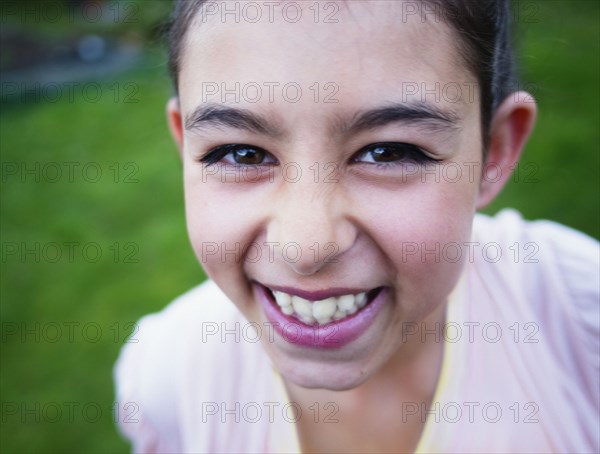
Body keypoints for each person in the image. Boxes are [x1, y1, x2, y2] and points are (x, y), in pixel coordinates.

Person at [114, 1, 599, 452]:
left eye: (388, 152)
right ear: (185, 148)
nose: (307, 246)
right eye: (242, 153)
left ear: (492, 152)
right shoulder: (169, 378)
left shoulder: (580, 321)